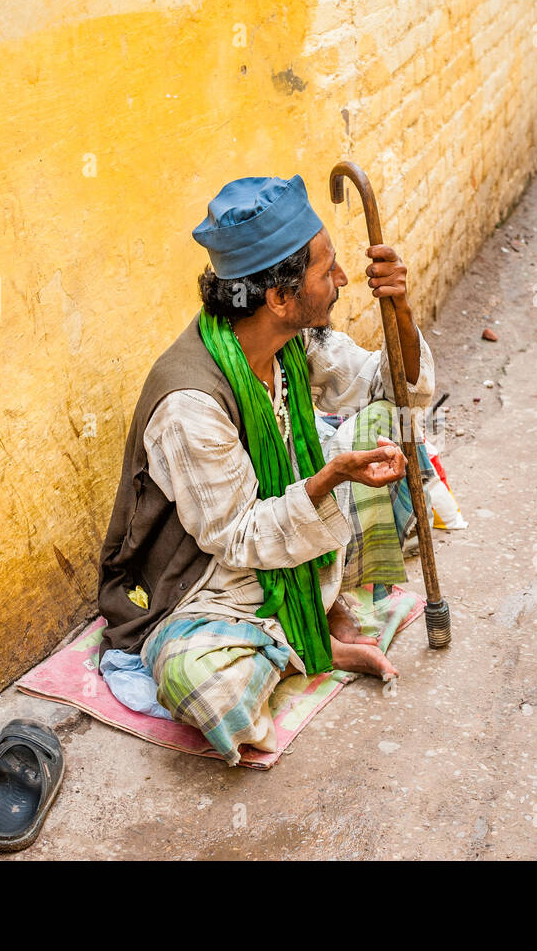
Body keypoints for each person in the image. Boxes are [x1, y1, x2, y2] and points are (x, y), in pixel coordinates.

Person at [95, 174, 435, 765]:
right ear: (279, 298)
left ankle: (307, 620)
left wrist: (399, 307)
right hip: (208, 580)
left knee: (403, 436)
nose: (343, 280)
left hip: (285, 531)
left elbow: (393, 384)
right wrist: (331, 478)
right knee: (210, 691)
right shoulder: (190, 405)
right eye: (327, 270)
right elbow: (240, 535)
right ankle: (310, 640)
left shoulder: (293, 344)